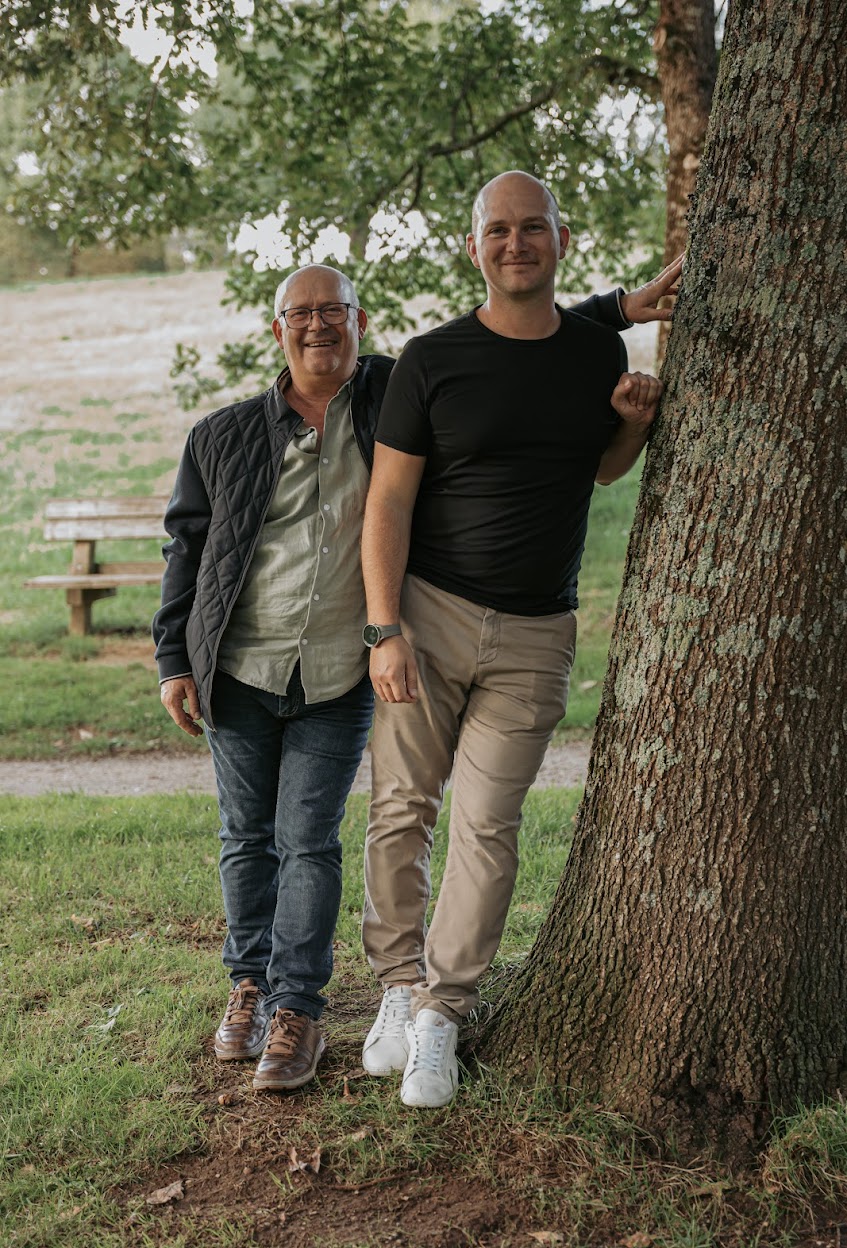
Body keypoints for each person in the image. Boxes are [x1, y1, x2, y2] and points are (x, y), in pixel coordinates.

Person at [153, 248, 678, 1093]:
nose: (319, 324)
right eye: (301, 313)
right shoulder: (220, 437)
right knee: (246, 840)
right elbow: (187, 550)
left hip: (337, 671)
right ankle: (249, 987)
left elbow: (510, 340)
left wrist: (615, 308)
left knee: (311, 843)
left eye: (336, 311)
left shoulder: (392, 393)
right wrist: (174, 655)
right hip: (241, 668)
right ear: (278, 329)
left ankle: (301, 1008)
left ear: (360, 324)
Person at [360, 171, 666, 1109]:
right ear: (474, 246)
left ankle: (443, 1015)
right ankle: (397, 988)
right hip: (430, 613)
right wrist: (385, 629)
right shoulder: (430, 358)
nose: (516, 243)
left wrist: (630, 428)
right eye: (499, 229)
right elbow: (387, 502)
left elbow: (601, 471)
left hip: (537, 629)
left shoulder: (593, 349)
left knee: (487, 826)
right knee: (401, 808)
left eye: (534, 228)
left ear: (561, 242)